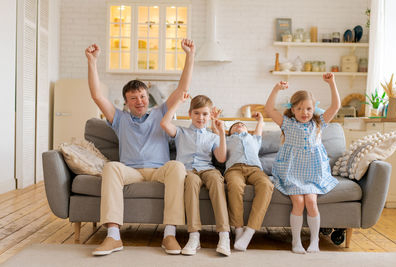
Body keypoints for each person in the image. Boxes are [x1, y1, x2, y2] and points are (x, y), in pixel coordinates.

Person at [85, 39, 195, 256]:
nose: (139, 101)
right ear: (126, 102)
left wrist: (190, 56)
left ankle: (170, 234)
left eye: (143, 96)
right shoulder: (119, 118)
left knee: (177, 167)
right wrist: (92, 61)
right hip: (131, 171)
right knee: (110, 167)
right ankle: (113, 237)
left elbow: (183, 88)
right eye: (133, 98)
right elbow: (97, 96)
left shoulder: (161, 112)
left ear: (149, 97)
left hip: (159, 171)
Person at [264, 73, 341, 254]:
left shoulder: (318, 123)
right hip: (292, 173)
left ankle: (314, 241)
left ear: (314, 109)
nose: (304, 113)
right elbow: (269, 108)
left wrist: (332, 83)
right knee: (298, 202)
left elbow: (336, 106)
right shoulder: (287, 124)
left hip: (313, 173)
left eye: (308, 109)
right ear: (292, 110)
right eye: (299, 109)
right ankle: (296, 242)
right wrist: (276, 89)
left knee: (311, 202)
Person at [160, 93, 231, 256]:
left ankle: (224, 235)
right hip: (187, 171)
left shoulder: (212, 136)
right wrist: (179, 101)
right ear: (190, 113)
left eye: (205, 114)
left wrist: (221, 132)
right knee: (191, 182)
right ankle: (194, 235)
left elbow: (221, 157)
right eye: (197, 113)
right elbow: (164, 123)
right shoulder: (181, 132)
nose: (201, 117)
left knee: (216, 179)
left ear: (210, 115)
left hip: (207, 169)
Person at [223, 113, 274, 251]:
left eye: (242, 125)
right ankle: (238, 230)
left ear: (247, 130)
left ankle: (249, 232)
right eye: (235, 126)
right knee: (234, 186)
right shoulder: (227, 140)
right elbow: (218, 134)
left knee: (267, 185)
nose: (239, 125)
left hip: (255, 169)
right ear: (230, 132)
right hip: (234, 169)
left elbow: (259, 129)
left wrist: (261, 119)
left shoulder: (253, 138)